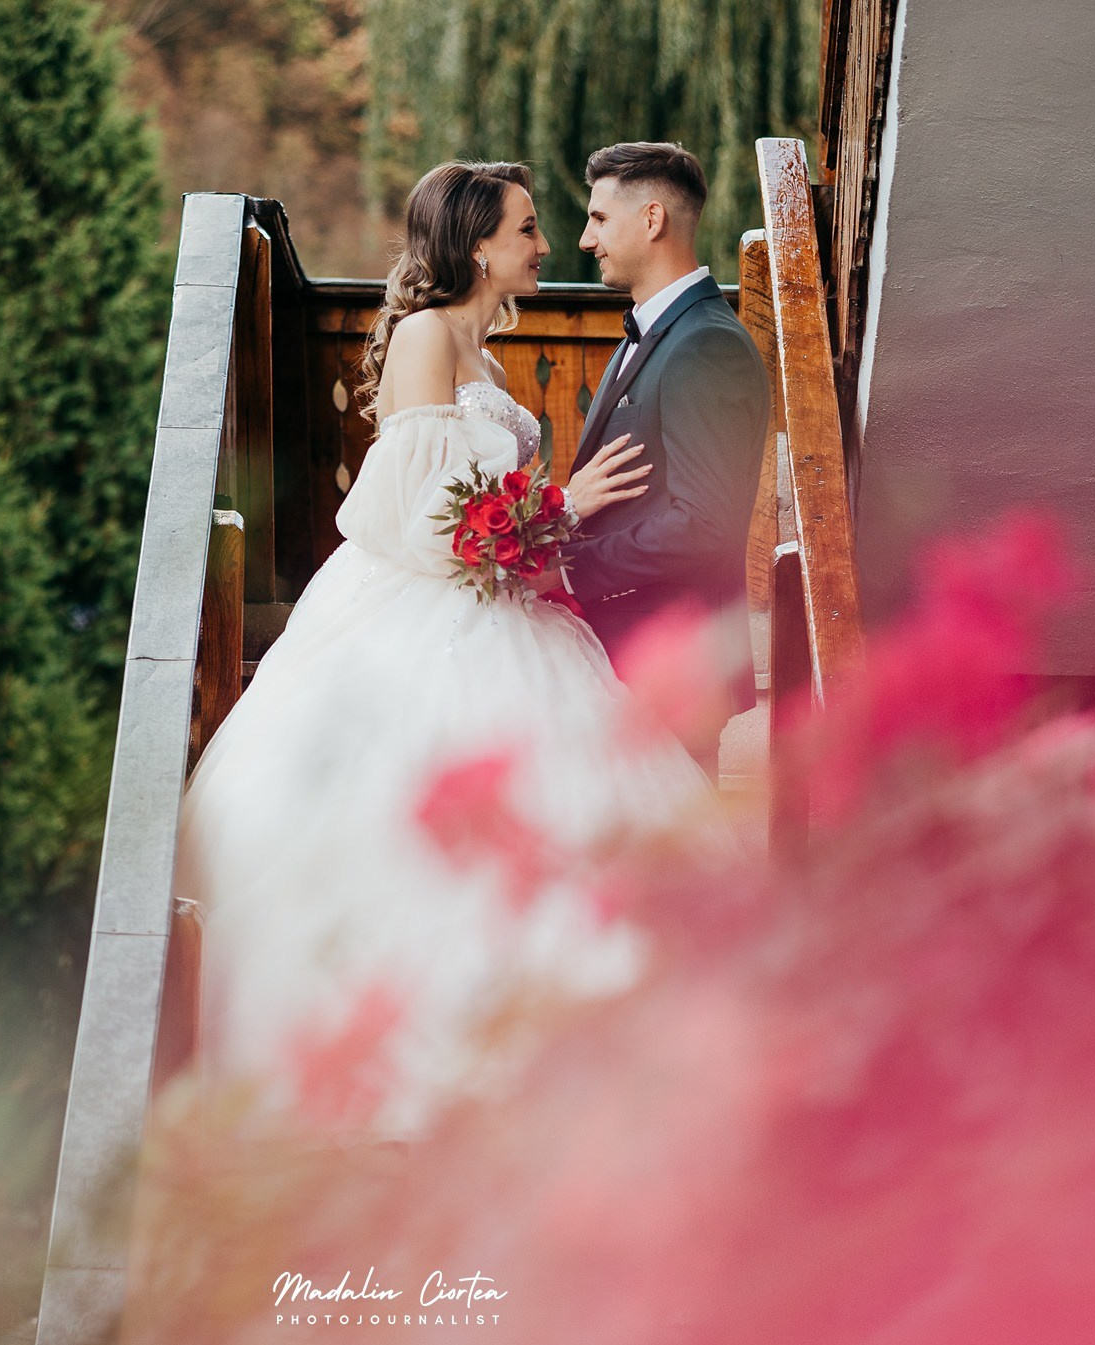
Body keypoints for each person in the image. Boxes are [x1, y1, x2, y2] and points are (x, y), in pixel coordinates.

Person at [178, 160, 723, 1142]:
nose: (545, 246)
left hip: (507, 606)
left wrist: (551, 526)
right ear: (476, 244)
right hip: (423, 611)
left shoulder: (482, 355)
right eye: (526, 228)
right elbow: (427, 522)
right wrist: (564, 504)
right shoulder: (426, 339)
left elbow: (478, 513)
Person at [556, 142, 771, 709]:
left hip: (677, 662)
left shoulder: (706, 344)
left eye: (599, 218)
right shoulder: (659, 331)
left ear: (653, 219)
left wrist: (567, 571)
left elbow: (703, 524)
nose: (586, 239)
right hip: (630, 653)